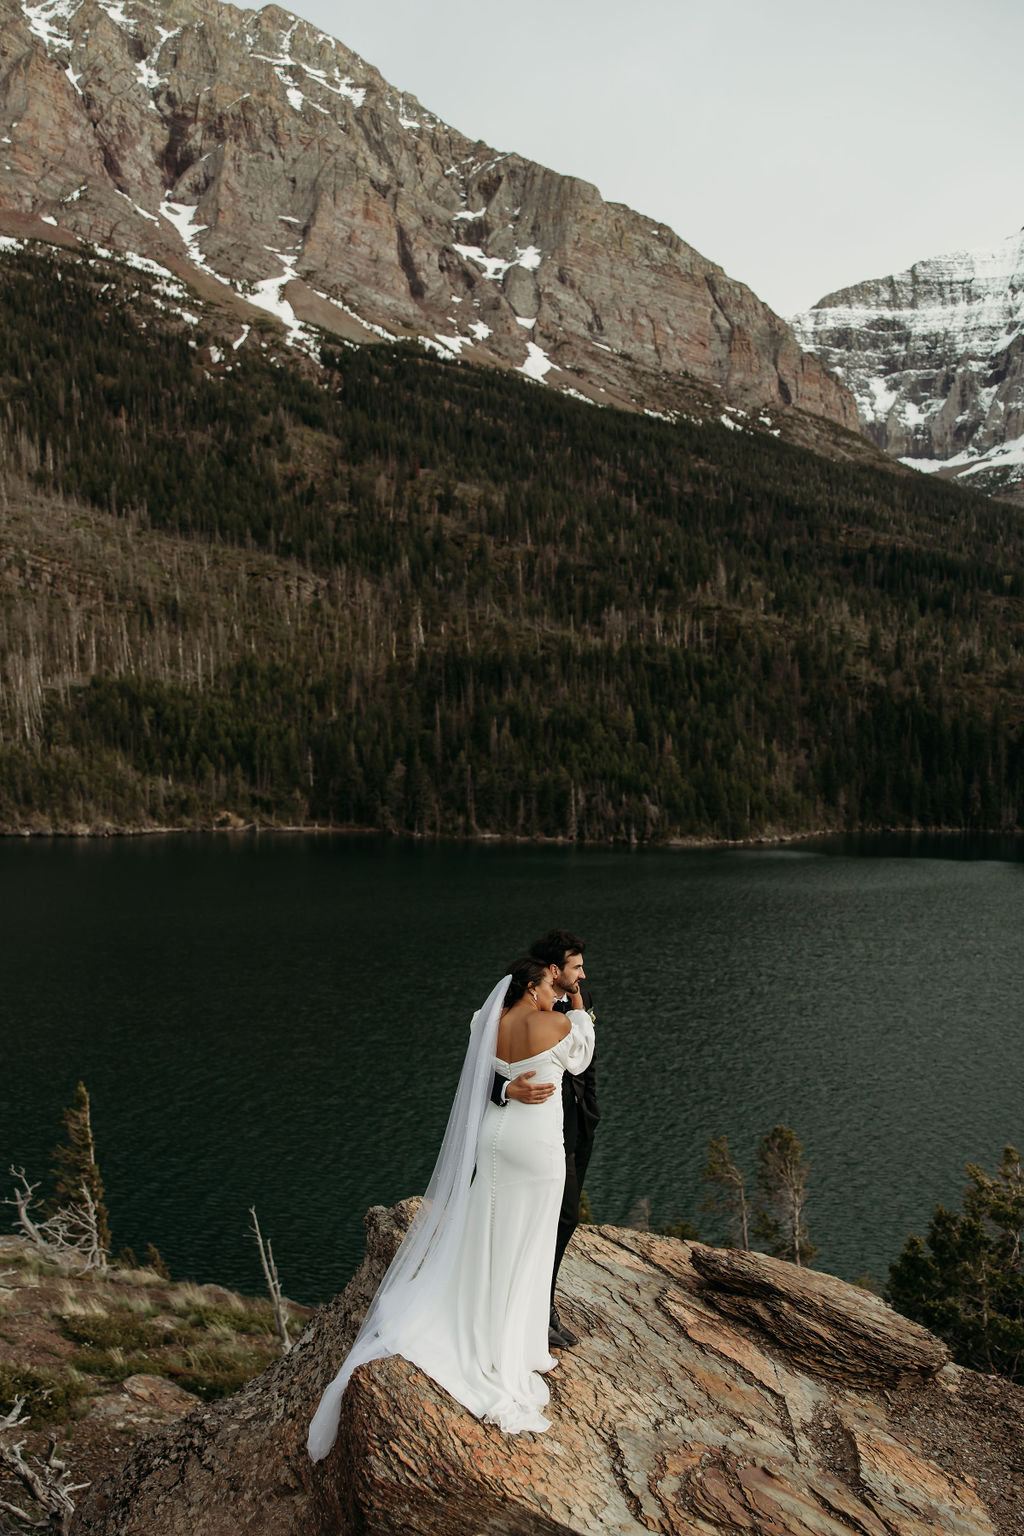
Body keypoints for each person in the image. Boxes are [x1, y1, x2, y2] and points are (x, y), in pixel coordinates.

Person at [307, 957, 595, 1458]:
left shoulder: (488, 1022)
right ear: (531, 986)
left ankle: (486, 1324)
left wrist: (507, 1086)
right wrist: (581, 1012)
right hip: (536, 1150)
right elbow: (581, 1057)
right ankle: (516, 1346)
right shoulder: (559, 1022)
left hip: (493, 1139)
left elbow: (477, 1076)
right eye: (554, 984)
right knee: (528, 1243)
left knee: (486, 1233)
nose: (560, 992)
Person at [491, 929, 598, 1349]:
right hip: (532, 1132)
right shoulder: (533, 1011)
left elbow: (585, 1071)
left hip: (575, 1125)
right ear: (552, 971)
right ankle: (538, 1310)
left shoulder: (569, 1004)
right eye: (577, 967)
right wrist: (504, 1089)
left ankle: (533, 1306)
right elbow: (475, 1075)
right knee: (554, 1218)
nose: (583, 976)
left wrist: (591, 1114)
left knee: (560, 1218)